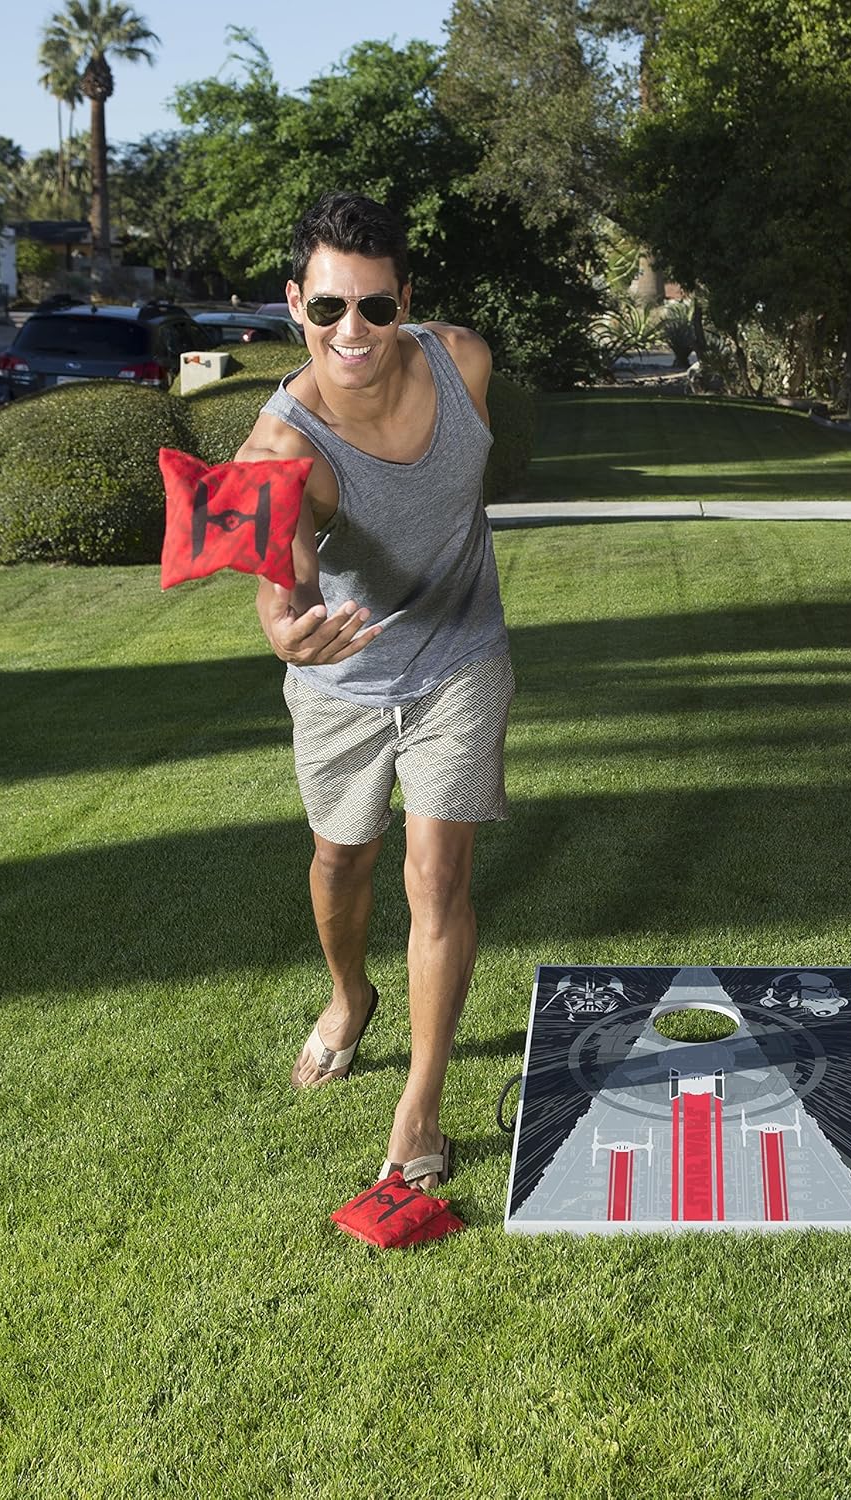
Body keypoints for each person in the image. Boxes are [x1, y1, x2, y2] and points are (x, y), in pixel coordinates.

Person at [235, 191, 513, 1193]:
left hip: (461, 655)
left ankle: (420, 1107)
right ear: (294, 305)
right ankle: (351, 995)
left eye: (376, 308)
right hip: (346, 678)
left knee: (437, 879)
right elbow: (283, 594)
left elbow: (465, 481)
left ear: (407, 301)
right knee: (340, 861)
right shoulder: (279, 447)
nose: (353, 332)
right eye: (328, 310)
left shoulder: (464, 361)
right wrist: (291, 636)